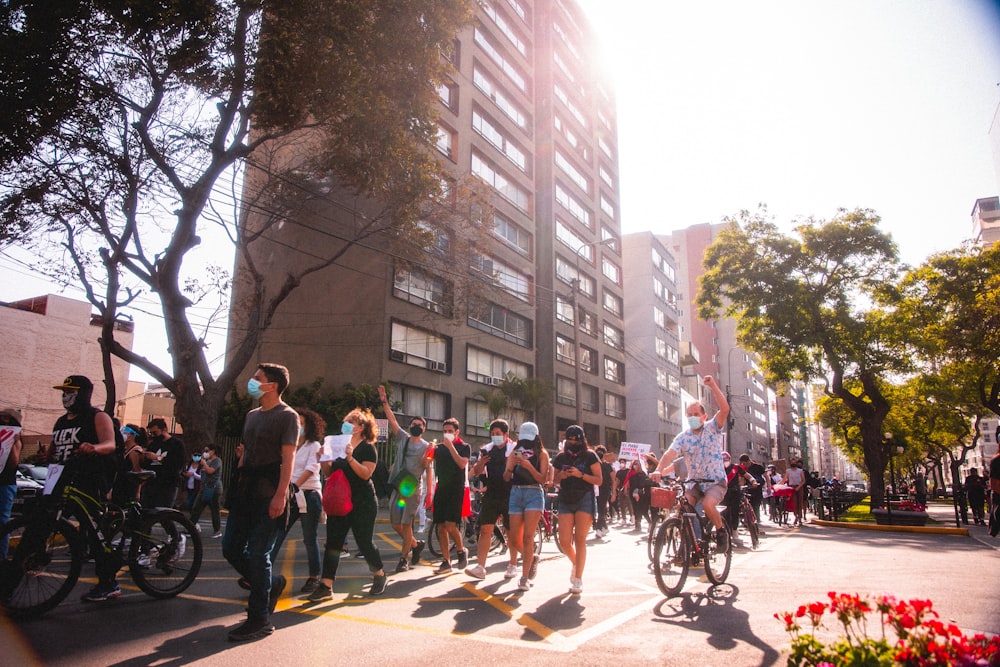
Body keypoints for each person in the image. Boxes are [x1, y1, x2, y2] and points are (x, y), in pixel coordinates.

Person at [222, 363, 297, 642]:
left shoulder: (287, 416)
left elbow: (288, 460)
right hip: (245, 493)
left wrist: (280, 495)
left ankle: (260, 619)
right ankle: (272, 583)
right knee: (230, 547)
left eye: (257, 379)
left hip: (269, 494)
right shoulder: (251, 416)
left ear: (273, 385)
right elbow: (247, 453)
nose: (251, 382)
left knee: (258, 554)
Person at [48, 375, 120, 601]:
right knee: (43, 517)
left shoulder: (97, 416)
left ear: (83, 394)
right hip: (60, 478)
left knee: (93, 530)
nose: (65, 396)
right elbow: (55, 450)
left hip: (89, 480)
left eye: (70, 392)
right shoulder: (61, 422)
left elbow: (110, 444)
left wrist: (94, 448)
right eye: (64, 392)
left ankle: (109, 582)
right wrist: (45, 456)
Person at [308, 408, 387, 601]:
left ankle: (380, 575)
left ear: (361, 427)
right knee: (334, 542)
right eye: (347, 420)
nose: (347, 423)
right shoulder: (337, 444)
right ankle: (326, 585)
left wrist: (350, 457)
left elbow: (365, 474)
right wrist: (323, 459)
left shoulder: (368, 448)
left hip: (363, 502)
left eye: (351, 421)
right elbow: (329, 472)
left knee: (364, 541)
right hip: (340, 500)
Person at [651, 375, 730, 552]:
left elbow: (724, 409)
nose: (693, 417)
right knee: (682, 508)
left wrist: (713, 386)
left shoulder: (712, 428)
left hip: (715, 482)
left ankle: (721, 531)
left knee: (709, 505)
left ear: (704, 416)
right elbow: (669, 454)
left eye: (696, 414)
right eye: (689, 415)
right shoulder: (683, 437)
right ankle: (687, 545)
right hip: (694, 483)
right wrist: (658, 469)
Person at [378, 385, 432, 573]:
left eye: (420, 425)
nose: (417, 427)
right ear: (409, 426)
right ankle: (416, 545)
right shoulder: (403, 438)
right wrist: (385, 402)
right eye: (414, 424)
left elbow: (429, 469)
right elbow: (392, 419)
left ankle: (404, 559)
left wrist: (430, 491)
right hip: (399, 486)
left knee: (407, 523)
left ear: (424, 428)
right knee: (395, 524)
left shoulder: (427, 447)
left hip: (413, 488)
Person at [464, 419, 518, 580]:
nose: (495, 437)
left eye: (498, 434)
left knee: (510, 531)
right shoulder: (487, 450)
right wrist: (481, 463)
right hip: (491, 494)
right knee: (486, 529)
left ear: (506, 434)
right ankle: (480, 567)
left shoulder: (513, 448)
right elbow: (479, 471)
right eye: (492, 434)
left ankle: (513, 564)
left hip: (510, 494)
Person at [552, 424, 602, 595]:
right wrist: (562, 476)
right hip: (565, 498)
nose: (573, 442)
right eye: (570, 439)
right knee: (564, 541)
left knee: (580, 539)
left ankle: (578, 578)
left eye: (576, 439)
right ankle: (576, 563)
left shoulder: (590, 456)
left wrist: (581, 475)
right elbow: (554, 481)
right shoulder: (560, 457)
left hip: (585, 498)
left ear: (582, 439)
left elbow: (599, 480)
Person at [503, 422, 550, 591]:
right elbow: (506, 478)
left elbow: (542, 479)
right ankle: (532, 557)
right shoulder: (514, 452)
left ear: (536, 437)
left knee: (528, 537)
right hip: (516, 492)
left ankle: (524, 578)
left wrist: (528, 465)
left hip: (534, 494)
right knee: (514, 539)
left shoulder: (542, 454)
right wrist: (510, 467)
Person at [431, 418, 471, 574]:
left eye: (450, 431)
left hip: (456, 489)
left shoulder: (464, 447)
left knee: (450, 525)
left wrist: (451, 447)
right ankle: (446, 561)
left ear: (456, 432)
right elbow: (427, 461)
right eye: (445, 431)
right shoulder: (439, 448)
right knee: (440, 526)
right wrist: (429, 450)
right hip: (441, 488)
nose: (447, 434)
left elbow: (462, 464)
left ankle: (461, 550)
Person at [141, 417, 185, 509]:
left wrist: (157, 457)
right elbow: (146, 464)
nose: (153, 435)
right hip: (152, 483)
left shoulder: (176, 444)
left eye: (155, 433)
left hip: (168, 484)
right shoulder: (154, 444)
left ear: (164, 430)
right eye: (151, 433)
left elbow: (177, 463)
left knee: (164, 513)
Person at [0, 409, 24, 559]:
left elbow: (13, 463)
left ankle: (1, 557)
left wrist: (12, 442)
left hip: (5, 484)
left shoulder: (16, 440)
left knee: (2, 522)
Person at [190, 444, 223, 538]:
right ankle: (191, 528)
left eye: (207, 451)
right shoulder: (207, 461)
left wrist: (204, 464)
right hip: (204, 487)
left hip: (213, 488)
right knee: (196, 508)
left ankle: (217, 530)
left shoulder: (217, 461)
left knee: (214, 510)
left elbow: (210, 471)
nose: (205, 453)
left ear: (213, 451)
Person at [739, 453, 766, 525]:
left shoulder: (758, 467)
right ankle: (747, 520)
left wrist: (768, 486)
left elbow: (766, 476)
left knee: (756, 504)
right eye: (742, 464)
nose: (744, 465)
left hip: (757, 488)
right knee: (745, 503)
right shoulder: (742, 468)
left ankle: (757, 519)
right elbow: (741, 478)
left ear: (748, 461)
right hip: (747, 487)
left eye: (745, 463)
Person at [780, 458, 807, 526]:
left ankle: (800, 519)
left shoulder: (800, 471)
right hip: (792, 487)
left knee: (800, 503)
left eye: (794, 462)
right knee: (794, 503)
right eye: (792, 462)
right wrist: (778, 485)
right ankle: (796, 516)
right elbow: (784, 479)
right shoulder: (788, 471)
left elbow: (803, 481)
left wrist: (798, 487)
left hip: (799, 487)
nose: (793, 463)